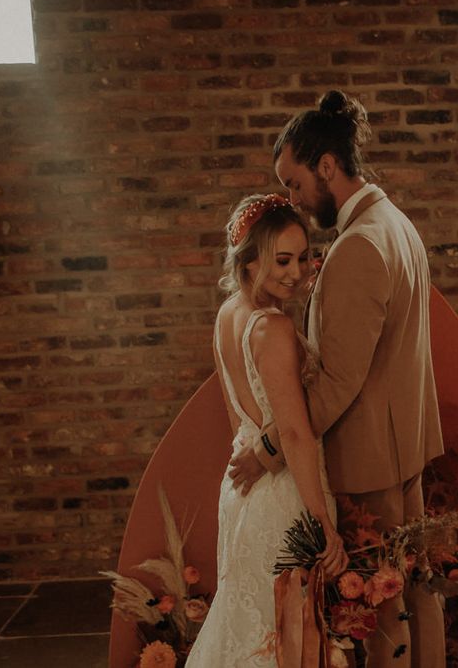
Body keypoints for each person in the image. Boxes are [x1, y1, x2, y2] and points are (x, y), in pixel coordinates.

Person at [229, 91, 446, 668]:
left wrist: (269, 447)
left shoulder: (358, 246)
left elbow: (340, 380)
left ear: (327, 166)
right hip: (406, 446)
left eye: (294, 183)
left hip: (371, 456)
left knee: (379, 611)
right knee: (415, 593)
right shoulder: (396, 224)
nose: (290, 199)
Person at [186, 193, 348, 668]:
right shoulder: (272, 328)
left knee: (253, 632)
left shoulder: (226, 317)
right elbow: (296, 434)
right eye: (282, 260)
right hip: (285, 499)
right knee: (288, 641)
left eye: (303, 258)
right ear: (250, 260)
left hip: (241, 497)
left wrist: (256, 456)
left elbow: (240, 420)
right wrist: (323, 525)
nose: (295, 271)